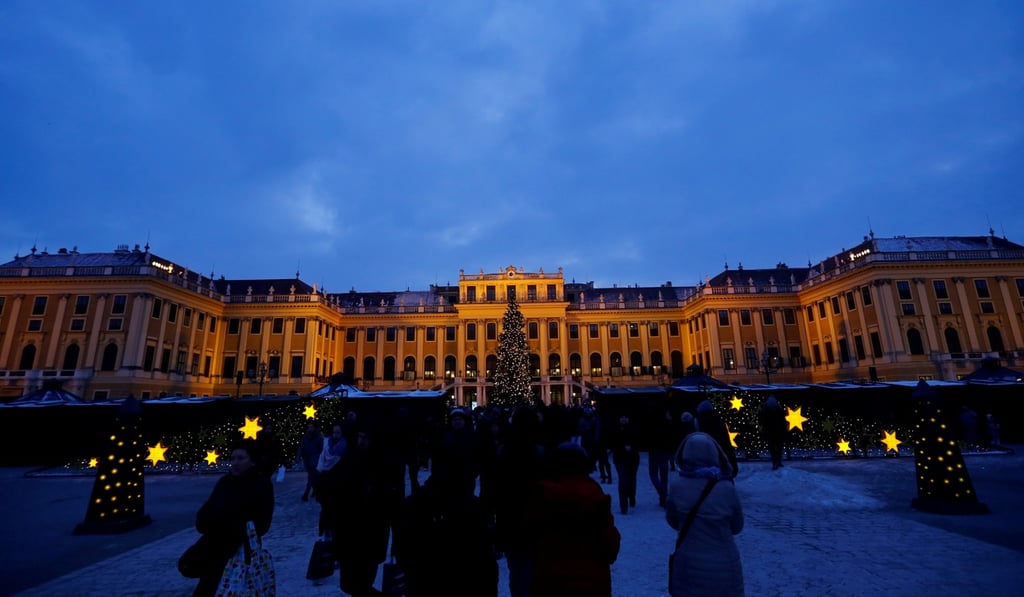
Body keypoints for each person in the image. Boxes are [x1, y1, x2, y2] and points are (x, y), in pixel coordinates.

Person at [527, 442, 621, 597]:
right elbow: (609, 541)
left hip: (549, 578)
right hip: (591, 579)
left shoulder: (541, 493)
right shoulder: (593, 493)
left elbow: (530, 534)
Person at [182, 440, 274, 597]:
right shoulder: (225, 482)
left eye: (241, 458)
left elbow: (262, 524)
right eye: (233, 458)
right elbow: (209, 507)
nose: (235, 463)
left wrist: (229, 526)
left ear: (252, 461)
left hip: (240, 553)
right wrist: (205, 521)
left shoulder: (260, 485)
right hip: (214, 549)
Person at [393, 471, 498, 597]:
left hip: (423, 586)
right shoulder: (474, 508)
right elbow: (488, 566)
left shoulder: (411, 505)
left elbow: (402, 553)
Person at [666, 432, 744, 597]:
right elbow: (737, 527)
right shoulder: (726, 488)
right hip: (725, 564)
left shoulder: (677, 486)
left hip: (688, 563)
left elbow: (672, 521)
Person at [326, 424, 391, 597]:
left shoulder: (381, 463)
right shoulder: (349, 459)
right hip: (348, 531)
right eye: (360, 437)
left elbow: (389, 498)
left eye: (366, 438)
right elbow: (335, 490)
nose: (362, 441)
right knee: (348, 585)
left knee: (362, 582)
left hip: (372, 532)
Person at [315, 423, 346, 538]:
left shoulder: (344, 448)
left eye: (338, 433)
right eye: (334, 432)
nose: (335, 435)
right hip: (326, 489)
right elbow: (321, 465)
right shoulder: (327, 447)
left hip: (338, 489)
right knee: (326, 513)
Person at [695, 400, 739, 478]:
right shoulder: (719, 423)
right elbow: (727, 445)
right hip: (719, 458)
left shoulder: (698, 425)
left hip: (703, 461)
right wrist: (733, 464)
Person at [609, 413, 641, 515]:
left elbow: (640, 442)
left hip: (633, 458)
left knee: (631, 479)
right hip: (620, 459)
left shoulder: (634, 429)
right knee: (623, 480)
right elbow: (612, 443)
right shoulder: (615, 430)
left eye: (625, 417)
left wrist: (632, 447)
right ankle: (623, 505)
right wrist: (622, 448)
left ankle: (631, 496)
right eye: (621, 417)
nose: (623, 419)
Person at [648, 407, 676, 507]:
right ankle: (663, 496)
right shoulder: (669, 425)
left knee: (654, 475)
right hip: (665, 452)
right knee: (664, 476)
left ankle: (662, 494)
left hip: (655, 452)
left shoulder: (654, 424)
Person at [757, 396, 787, 470]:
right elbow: (783, 421)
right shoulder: (777, 410)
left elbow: (761, 421)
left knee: (774, 448)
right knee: (775, 448)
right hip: (773, 432)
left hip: (772, 432)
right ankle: (777, 462)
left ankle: (776, 462)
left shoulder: (765, 410)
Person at [298, 422, 323, 501]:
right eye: (309, 427)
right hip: (307, 460)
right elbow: (301, 447)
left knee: (311, 477)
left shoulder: (319, 437)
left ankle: (306, 493)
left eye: (311, 427)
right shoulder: (306, 436)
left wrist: (317, 458)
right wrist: (298, 456)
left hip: (315, 461)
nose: (310, 428)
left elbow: (321, 450)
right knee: (312, 477)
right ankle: (316, 490)